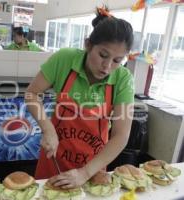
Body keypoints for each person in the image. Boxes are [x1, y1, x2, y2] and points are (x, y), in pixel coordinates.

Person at [25, 7, 134, 189]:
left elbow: (121, 135)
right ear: (88, 45)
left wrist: (85, 173)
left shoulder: (123, 79)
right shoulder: (64, 59)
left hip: (93, 167)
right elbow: (32, 94)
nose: (107, 66)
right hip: (55, 159)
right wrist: (48, 128)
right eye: (103, 55)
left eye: (117, 61)